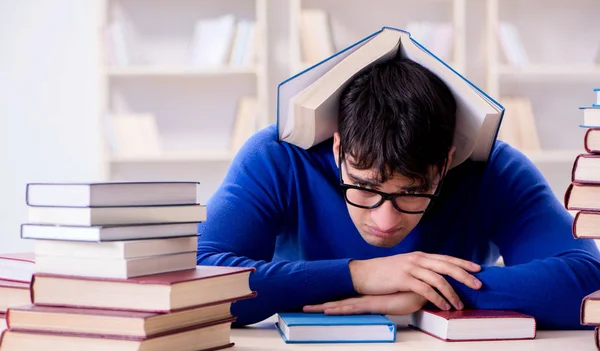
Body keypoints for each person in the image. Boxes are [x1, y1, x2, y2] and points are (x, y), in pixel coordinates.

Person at [197, 58, 600, 329]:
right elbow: (199, 278)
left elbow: (588, 282)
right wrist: (359, 274)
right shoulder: (277, 157)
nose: (385, 221)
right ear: (339, 150)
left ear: (445, 164)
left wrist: (428, 292)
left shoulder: (494, 169)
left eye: (413, 191)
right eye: (365, 187)